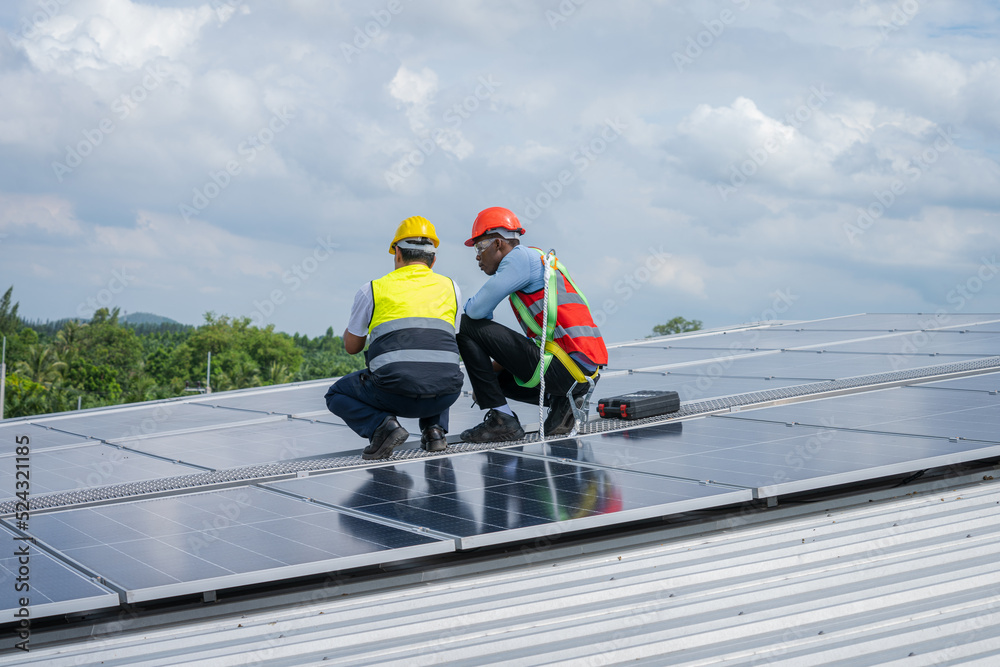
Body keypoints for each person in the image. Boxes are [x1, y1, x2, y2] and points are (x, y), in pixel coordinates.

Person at [457, 206, 608, 442]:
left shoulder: (519, 259)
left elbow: (475, 311)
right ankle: (563, 402)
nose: (477, 256)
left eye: (480, 246)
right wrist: (487, 379)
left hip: (564, 368)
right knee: (496, 379)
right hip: (581, 373)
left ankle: (502, 421)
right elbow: (536, 344)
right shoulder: (539, 260)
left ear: (498, 244)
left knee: (468, 327)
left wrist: (484, 378)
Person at [325, 216, 464, 460]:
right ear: (433, 259)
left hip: (394, 395)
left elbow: (352, 347)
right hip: (445, 396)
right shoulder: (451, 287)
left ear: (397, 253)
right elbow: (449, 341)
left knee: (336, 394)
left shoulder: (373, 289)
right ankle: (435, 432)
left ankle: (383, 427)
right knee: (437, 364)